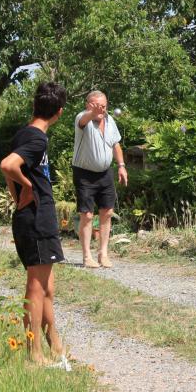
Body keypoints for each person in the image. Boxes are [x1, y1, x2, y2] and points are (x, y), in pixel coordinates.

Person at [0, 82, 68, 365]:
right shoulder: (38, 139)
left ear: (34, 105)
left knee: (47, 287)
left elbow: (8, 171)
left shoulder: (24, 134)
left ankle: (55, 345)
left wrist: (18, 192)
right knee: (37, 288)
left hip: (33, 217)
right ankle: (34, 354)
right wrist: (27, 188)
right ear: (60, 112)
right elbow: (8, 165)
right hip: (37, 218)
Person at [72, 90, 128, 268]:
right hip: (84, 173)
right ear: (88, 105)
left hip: (105, 173)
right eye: (97, 106)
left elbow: (115, 144)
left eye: (103, 106)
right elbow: (83, 120)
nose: (101, 109)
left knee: (107, 212)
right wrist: (92, 113)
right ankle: (87, 256)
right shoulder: (83, 118)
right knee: (87, 215)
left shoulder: (110, 120)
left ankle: (103, 253)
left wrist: (121, 166)